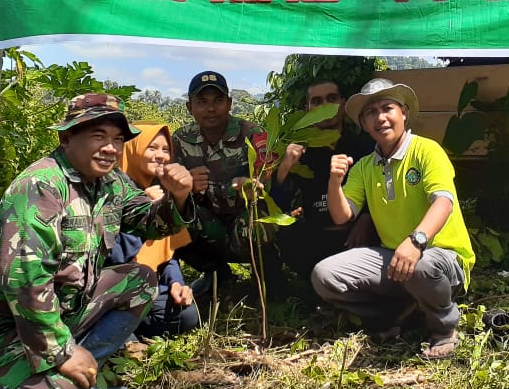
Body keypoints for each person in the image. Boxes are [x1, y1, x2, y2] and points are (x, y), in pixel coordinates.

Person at [0, 94, 196, 389]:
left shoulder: (111, 183)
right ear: (66, 137)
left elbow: (150, 223)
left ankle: (79, 377)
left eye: (118, 139)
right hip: (2, 330)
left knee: (140, 281)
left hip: (61, 314)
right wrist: (63, 352)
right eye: (98, 136)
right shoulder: (41, 186)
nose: (110, 148)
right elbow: (26, 283)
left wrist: (178, 196)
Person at [311, 78, 476, 359]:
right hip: (395, 259)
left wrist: (416, 241)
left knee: (420, 265)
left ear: (404, 113)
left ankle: (444, 328)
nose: (380, 118)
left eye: (387, 108)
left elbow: (443, 202)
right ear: (364, 123)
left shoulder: (426, 150)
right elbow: (342, 215)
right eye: (371, 112)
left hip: (442, 258)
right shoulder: (365, 166)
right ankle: (394, 316)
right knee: (324, 275)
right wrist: (334, 182)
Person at [172, 71, 271, 298]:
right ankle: (215, 272)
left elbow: (268, 180)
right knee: (171, 215)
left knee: (265, 219)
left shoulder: (252, 134)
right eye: (202, 102)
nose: (211, 108)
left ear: (229, 104)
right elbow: (170, 188)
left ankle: (267, 275)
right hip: (208, 225)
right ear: (189, 107)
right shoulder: (180, 139)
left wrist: (252, 185)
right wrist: (186, 186)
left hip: (244, 222)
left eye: (218, 100)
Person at [271, 79, 377, 281]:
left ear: (343, 103)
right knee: (288, 236)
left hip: (356, 234)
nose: (325, 106)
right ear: (307, 109)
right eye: (317, 101)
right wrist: (284, 168)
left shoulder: (365, 147)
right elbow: (277, 205)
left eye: (332, 98)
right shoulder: (300, 152)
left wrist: (367, 218)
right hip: (315, 233)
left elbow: (382, 189)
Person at [110, 122, 200, 337]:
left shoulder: (159, 191)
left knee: (187, 316)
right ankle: (120, 336)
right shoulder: (111, 189)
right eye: (152, 148)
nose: (161, 156)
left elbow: (166, 255)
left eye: (166, 149)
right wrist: (143, 214)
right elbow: (113, 257)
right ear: (133, 150)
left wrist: (176, 283)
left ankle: (127, 327)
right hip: (109, 286)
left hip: (144, 287)